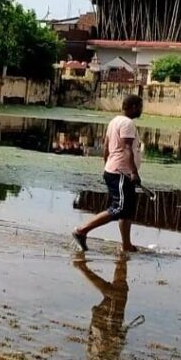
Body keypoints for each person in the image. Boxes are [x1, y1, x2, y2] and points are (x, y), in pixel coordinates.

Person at [73, 95, 143, 252]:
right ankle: (82, 230)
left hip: (116, 171)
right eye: (140, 107)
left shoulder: (114, 121)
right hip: (121, 173)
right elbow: (127, 149)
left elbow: (106, 147)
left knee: (127, 209)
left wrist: (107, 166)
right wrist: (133, 172)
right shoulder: (127, 123)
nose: (141, 110)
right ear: (133, 107)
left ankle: (126, 245)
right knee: (119, 207)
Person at [74, 254, 134, 360]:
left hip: (106, 325)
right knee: (119, 288)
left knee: (117, 293)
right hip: (106, 325)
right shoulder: (103, 355)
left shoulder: (100, 355)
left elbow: (103, 340)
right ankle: (122, 258)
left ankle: (82, 267)